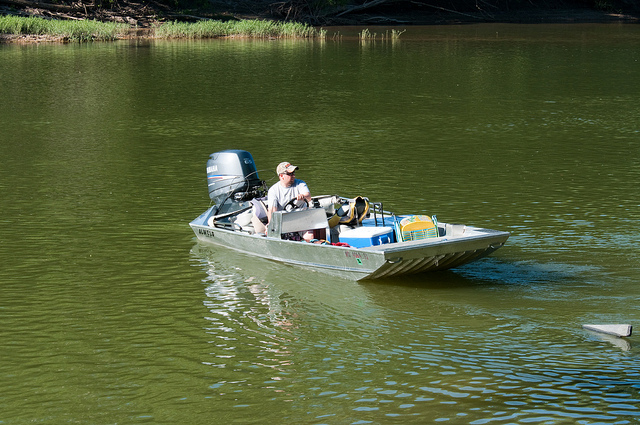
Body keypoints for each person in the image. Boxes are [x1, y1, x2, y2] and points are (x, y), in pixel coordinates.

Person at [251, 161, 312, 236]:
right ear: (281, 176)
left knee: (309, 236)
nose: (293, 176)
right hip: (284, 222)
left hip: (301, 219)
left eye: (293, 173)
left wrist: (303, 196)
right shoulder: (273, 190)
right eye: (290, 174)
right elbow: (273, 210)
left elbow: (308, 196)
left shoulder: (300, 183)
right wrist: (271, 226)